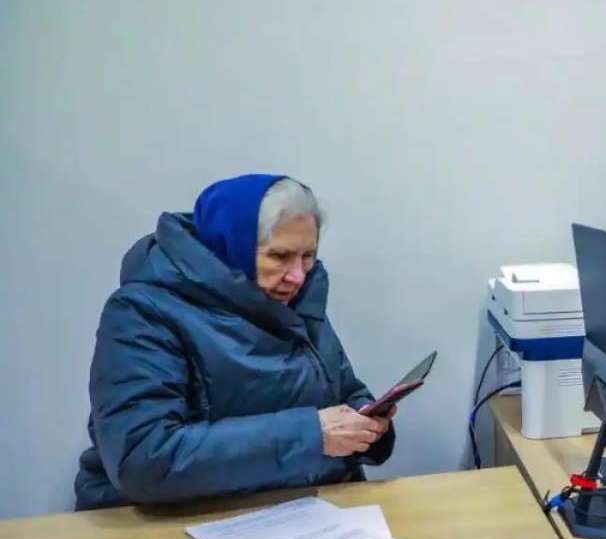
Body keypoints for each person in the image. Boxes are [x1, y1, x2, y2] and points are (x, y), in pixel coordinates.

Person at [75, 174, 395, 510]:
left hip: (292, 512)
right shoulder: (143, 311)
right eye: (280, 256)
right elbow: (143, 458)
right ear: (230, 248)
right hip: (166, 523)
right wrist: (311, 435)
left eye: (307, 256)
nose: (298, 275)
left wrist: (365, 421)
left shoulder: (296, 299)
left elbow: (341, 390)